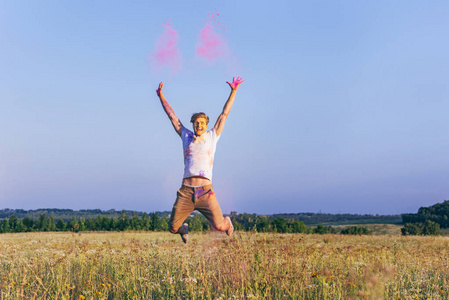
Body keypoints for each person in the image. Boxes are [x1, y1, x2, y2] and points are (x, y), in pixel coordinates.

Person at [156, 77, 244, 243]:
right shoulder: (186, 136)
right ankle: (184, 228)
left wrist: (233, 91)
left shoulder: (212, 136)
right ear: (193, 124)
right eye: (196, 123)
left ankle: (227, 222)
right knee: (173, 227)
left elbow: (225, 113)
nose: (199, 126)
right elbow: (172, 116)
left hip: (206, 192)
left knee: (219, 227)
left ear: (206, 124)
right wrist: (161, 96)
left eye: (202, 123)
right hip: (186, 191)